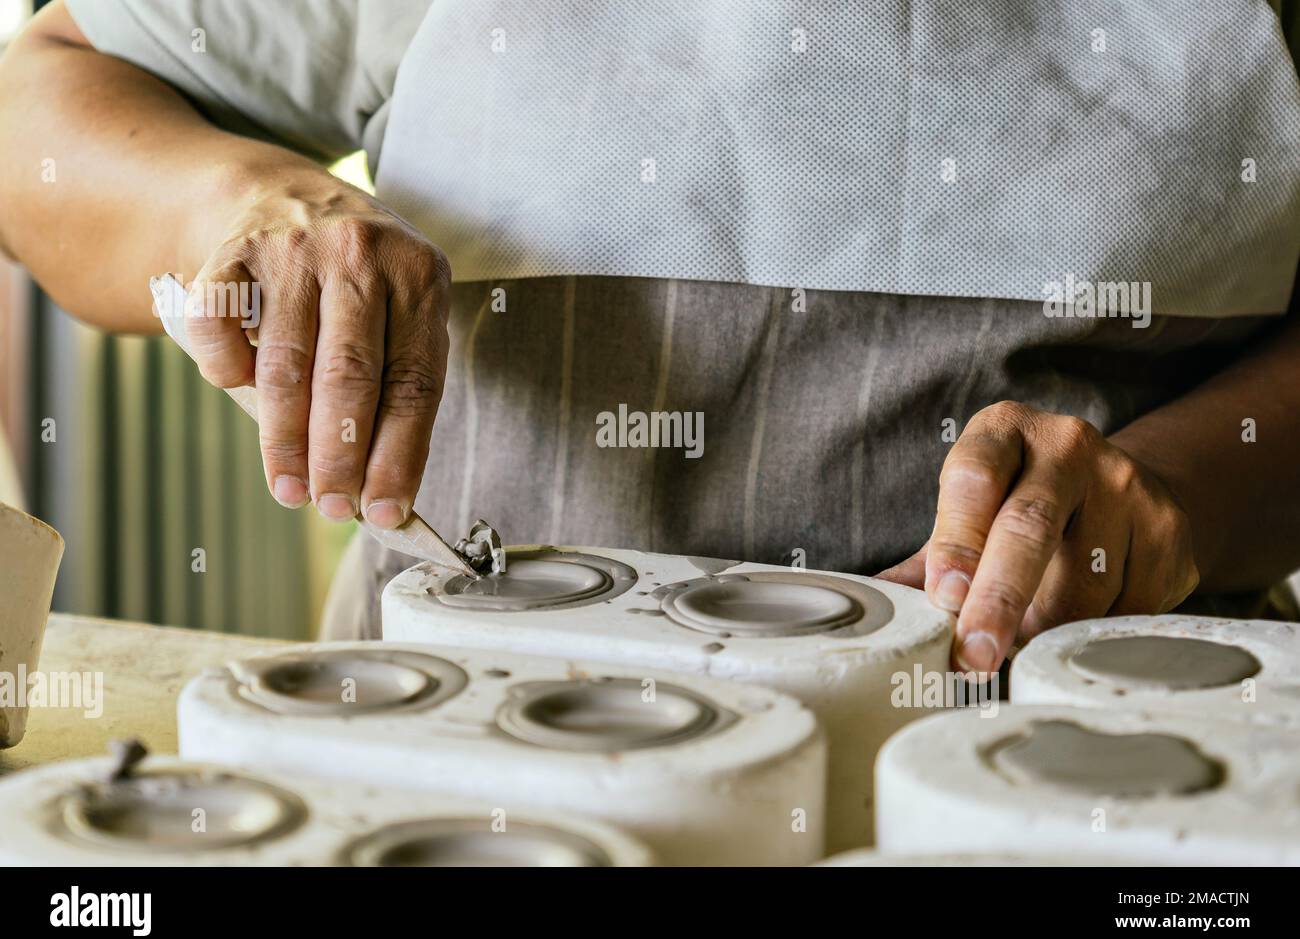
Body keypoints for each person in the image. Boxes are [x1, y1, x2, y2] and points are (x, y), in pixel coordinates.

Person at [2, 1, 1299, 679]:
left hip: (1087, 781)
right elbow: (33, 107)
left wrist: (1179, 495)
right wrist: (227, 202)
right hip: (456, 770)